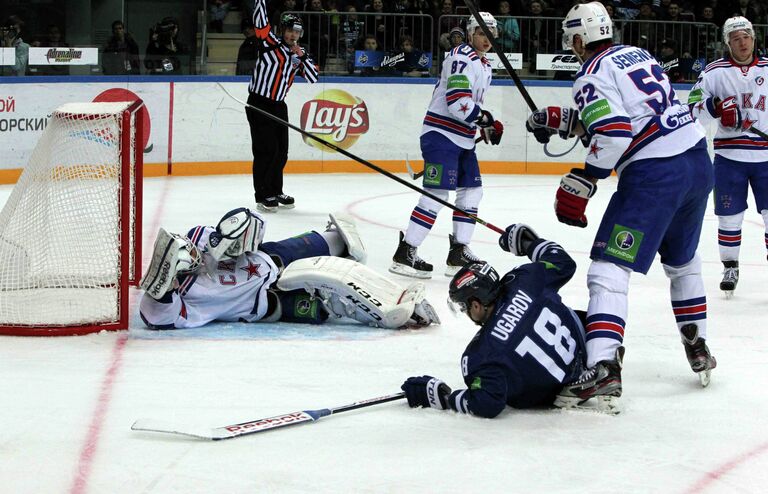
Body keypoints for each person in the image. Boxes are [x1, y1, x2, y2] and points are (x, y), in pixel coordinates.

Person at [524, 2, 717, 408]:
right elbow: (631, 114)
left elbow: (613, 132)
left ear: (578, 39)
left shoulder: (590, 73)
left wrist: (585, 180)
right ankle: (698, 344)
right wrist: (564, 120)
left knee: (609, 270)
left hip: (655, 176)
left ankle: (603, 367)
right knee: (683, 263)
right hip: (697, 163)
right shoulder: (637, 54)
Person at [401, 225, 601, 416]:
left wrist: (445, 398)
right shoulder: (526, 279)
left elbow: (487, 403)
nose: (465, 312)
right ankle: (604, 365)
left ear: (477, 304)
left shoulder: (479, 355)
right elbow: (564, 263)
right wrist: (529, 244)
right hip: (590, 354)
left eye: (464, 306)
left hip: (558, 392)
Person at [139, 208, 439, 330]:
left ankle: (336, 247)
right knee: (324, 307)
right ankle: (390, 311)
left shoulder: (198, 238)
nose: (194, 255)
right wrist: (164, 288)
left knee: (338, 240)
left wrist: (236, 237)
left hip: (268, 258)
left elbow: (241, 225)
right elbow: (156, 316)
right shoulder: (180, 304)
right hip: (267, 304)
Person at [389, 12, 504, 279]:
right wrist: (485, 118)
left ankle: (458, 252)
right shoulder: (461, 56)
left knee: (472, 193)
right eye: (481, 33)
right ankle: (406, 252)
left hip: (462, 139)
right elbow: (456, 101)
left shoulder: (484, 64)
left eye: (491, 34)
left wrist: (483, 126)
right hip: (441, 135)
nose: (487, 39)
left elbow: (467, 107)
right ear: (471, 32)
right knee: (437, 195)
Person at [688, 16, 768, 297]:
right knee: (729, 217)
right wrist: (715, 107)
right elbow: (692, 110)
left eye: (746, 36)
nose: (742, 42)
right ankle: (730, 267)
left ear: (754, 38)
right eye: (735, 38)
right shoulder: (713, 72)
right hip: (729, 156)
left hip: (766, 158)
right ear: (727, 43)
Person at [246, 0, 319, 212]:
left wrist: (302, 56)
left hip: (279, 105)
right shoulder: (269, 42)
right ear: (282, 30)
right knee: (266, 150)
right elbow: (260, 21)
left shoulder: (298, 54)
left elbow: (313, 78)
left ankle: (276, 190)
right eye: (289, 31)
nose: (293, 36)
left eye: (297, 32)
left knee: (281, 152)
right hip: (259, 103)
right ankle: (263, 194)